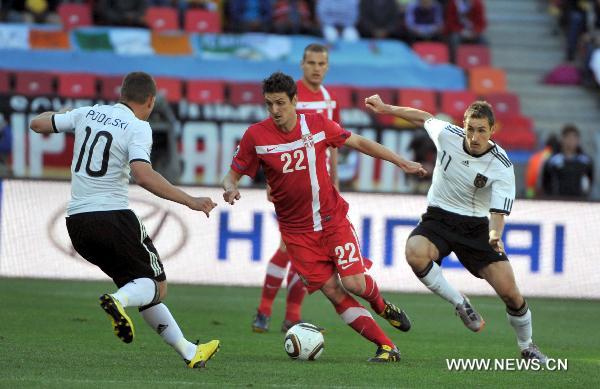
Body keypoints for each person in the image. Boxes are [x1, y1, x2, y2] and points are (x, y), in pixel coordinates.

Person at [223, 71, 427, 362]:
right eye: (269, 104)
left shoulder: (317, 125)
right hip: (296, 234)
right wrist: (231, 189)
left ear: (295, 101)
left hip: (332, 220)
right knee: (333, 291)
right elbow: (231, 176)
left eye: (280, 103)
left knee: (354, 284)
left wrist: (401, 162)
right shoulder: (255, 135)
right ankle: (387, 347)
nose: (275, 110)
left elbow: (359, 143)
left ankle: (382, 306)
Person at [29, 72, 220, 368]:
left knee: (137, 285)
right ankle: (117, 301)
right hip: (113, 217)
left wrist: (66, 115)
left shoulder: (87, 113)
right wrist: (190, 200)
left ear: (121, 94)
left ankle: (189, 351)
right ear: (151, 100)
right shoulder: (138, 127)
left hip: (77, 225)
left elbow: (38, 123)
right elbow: (143, 175)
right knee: (156, 285)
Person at [364, 94, 548, 362]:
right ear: (463, 125)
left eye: (481, 131)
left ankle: (527, 346)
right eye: (470, 129)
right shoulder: (448, 134)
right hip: (439, 217)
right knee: (414, 252)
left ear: (492, 130)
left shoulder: (501, 164)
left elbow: (498, 210)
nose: (474, 137)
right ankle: (460, 303)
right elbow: (424, 117)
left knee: (511, 293)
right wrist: (386, 108)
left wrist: (495, 234)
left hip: (476, 227)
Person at [252, 43, 343, 333]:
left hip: (320, 187)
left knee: (308, 254)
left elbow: (335, 142)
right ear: (302, 65)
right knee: (287, 246)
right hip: (291, 183)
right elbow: (271, 137)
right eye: (312, 62)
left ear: (327, 67)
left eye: (322, 63)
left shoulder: (329, 100)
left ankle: (291, 314)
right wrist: (270, 179)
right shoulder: (289, 97)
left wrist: (335, 180)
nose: (317, 68)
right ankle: (265, 310)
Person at [542, 124, 594, 198]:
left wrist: (585, 194)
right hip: (558, 201)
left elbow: (590, 180)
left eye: (574, 138)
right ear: (563, 139)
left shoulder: (585, 161)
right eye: (569, 138)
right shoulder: (553, 161)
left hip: (579, 201)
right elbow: (546, 182)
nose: (572, 141)